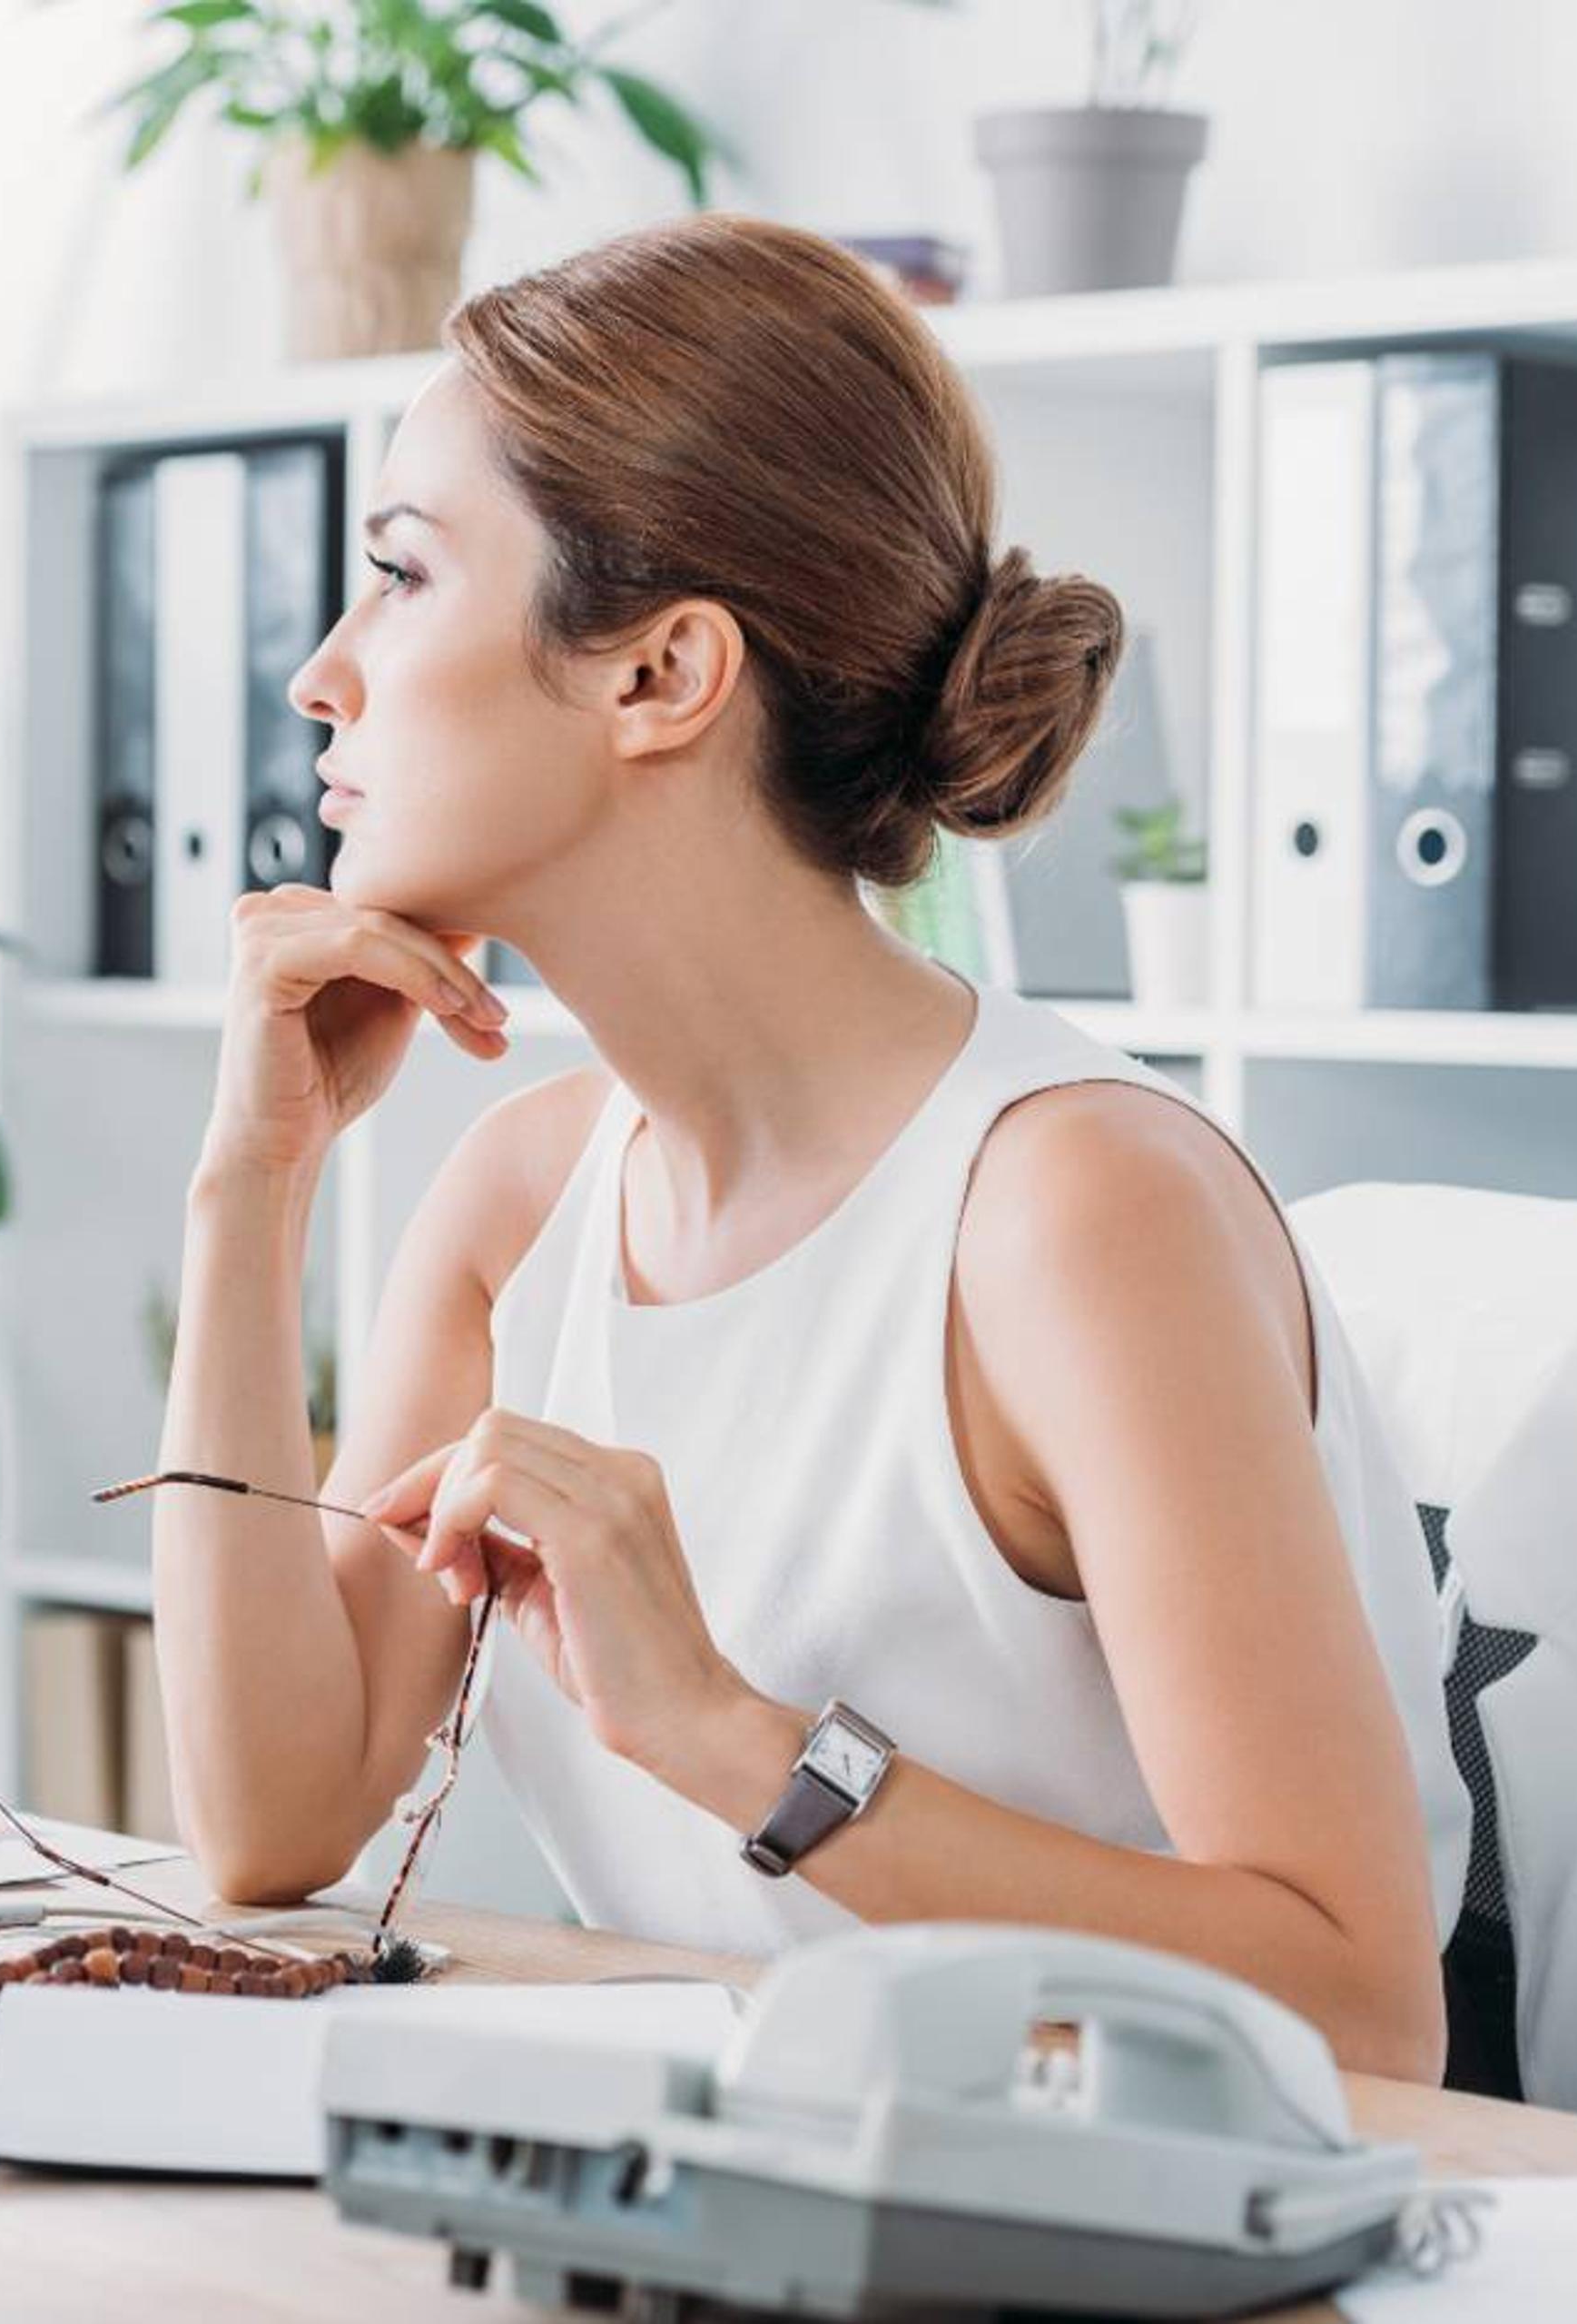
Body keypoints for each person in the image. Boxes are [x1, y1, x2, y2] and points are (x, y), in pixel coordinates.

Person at [148, 214, 1472, 2083]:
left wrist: (724, 1730)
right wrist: (250, 1181)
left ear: (661, 674)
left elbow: (1357, 2007)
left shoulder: (1074, 1209)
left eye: (401, 577)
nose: (324, 673)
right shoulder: (520, 1202)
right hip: (753, 2210)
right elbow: (270, 1819)